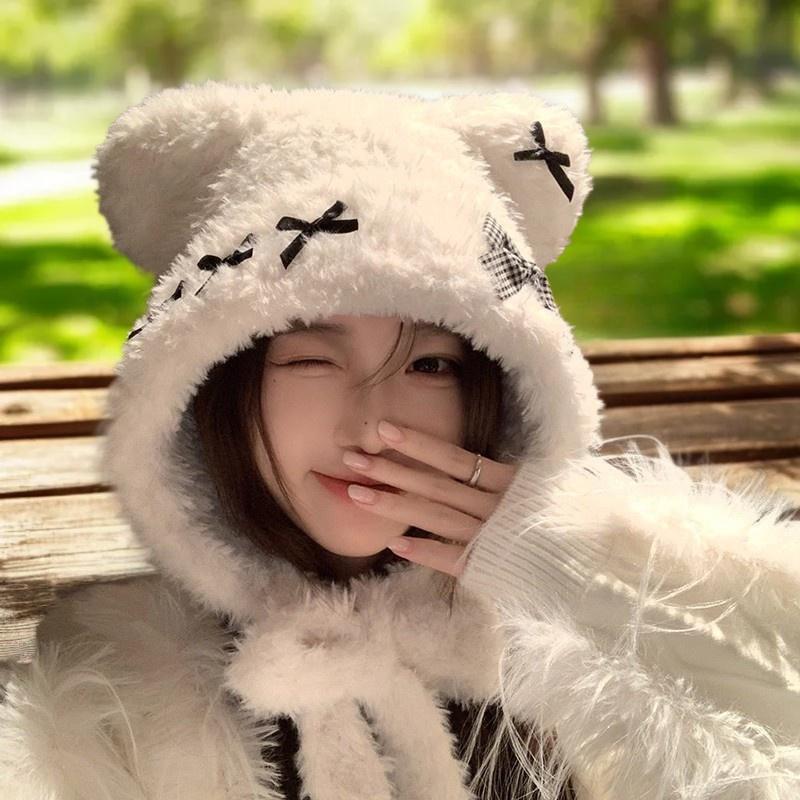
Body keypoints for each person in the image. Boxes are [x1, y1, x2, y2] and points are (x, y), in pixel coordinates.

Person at [1, 81, 799, 800]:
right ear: (211, 385)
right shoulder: (120, 704)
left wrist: (583, 575)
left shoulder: (569, 658)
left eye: (429, 364)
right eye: (311, 359)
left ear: (503, 390)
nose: (372, 421)